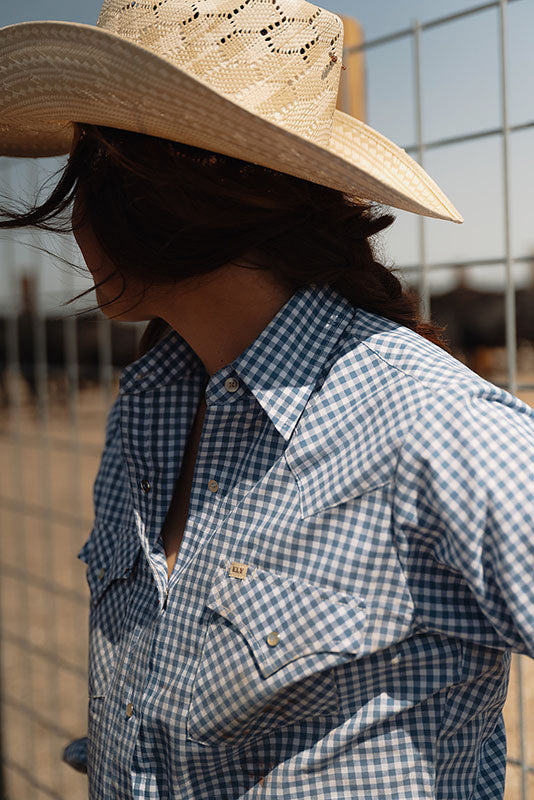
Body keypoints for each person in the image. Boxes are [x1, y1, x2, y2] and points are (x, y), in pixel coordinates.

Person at [0, 1, 533, 799]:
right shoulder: (152, 407)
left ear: (165, 192)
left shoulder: (434, 427)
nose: (73, 219)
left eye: (92, 176)